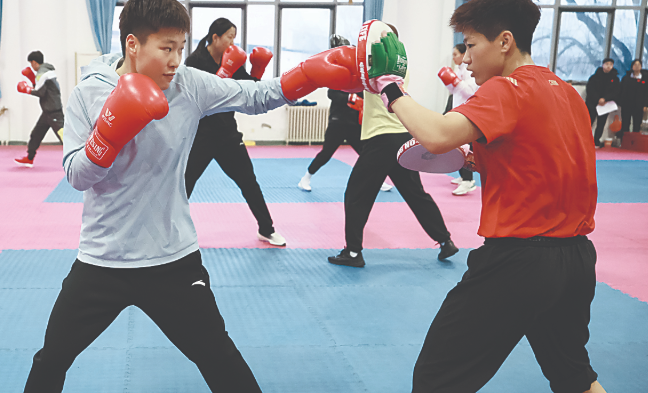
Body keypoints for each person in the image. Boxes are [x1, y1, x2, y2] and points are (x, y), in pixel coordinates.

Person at [0, 0, 365, 393]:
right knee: (52, 357)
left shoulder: (189, 84)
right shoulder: (89, 93)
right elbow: (75, 176)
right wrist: (108, 135)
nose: (175, 59)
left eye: (181, 47)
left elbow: (255, 97)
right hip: (102, 260)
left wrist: (308, 74)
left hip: (172, 258)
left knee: (216, 353)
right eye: (166, 48)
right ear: (133, 44)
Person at [368, 0, 637, 393]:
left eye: (472, 44)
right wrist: (482, 159)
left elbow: (436, 135)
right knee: (575, 376)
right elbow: (544, 161)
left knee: (435, 379)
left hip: (518, 264)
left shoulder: (506, 89)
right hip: (576, 262)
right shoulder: (566, 94)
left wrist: (390, 88)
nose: (466, 57)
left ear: (505, 41)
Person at [327, 24, 458, 268]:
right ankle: (445, 240)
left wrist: (341, 50)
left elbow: (356, 71)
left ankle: (353, 252)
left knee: (356, 195)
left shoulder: (379, 64)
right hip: (402, 137)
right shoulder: (400, 64)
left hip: (381, 139)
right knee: (415, 194)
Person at [183, 18, 287, 246]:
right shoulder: (194, 61)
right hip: (201, 134)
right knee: (185, 183)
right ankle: (170, 231)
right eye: (229, 37)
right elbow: (194, 98)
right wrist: (223, 73)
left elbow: (249, 90)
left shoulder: (234, 59)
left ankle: (267, 229)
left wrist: (257, 70)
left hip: (227, 134)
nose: (232, 42)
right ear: (215, 37)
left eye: (234, 38)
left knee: (249, 181)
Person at [297, 35, 392, 193]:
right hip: (338, 121)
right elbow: (332, 93)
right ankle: (305, 178)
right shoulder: (335, 72)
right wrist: (351, 97)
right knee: (326, 153)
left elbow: (363, 92)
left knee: (366, 153)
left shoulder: (357, 73)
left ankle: (378, 181)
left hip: (354, 122)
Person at [15, 51, 64, 167]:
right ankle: (29, 158)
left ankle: (82, 159)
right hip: (47, 112)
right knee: (36, 135)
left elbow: (40, 92)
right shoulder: (47, 71)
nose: (31, 66)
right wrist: (33, 81)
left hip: (54, 113)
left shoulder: (42, 74)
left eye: (31, 63)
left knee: (65, 137)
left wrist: (27, 90)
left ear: (34, 62)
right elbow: (43, 89)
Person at [446, 43, 480, 196]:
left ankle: (468, 180)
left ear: (463, 54)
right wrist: (449, 82)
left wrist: (456, 82)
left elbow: (471, 91)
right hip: (457, 108)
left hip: (467, 111)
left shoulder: (469, 69)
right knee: (456, 145)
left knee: (463, 146)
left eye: (455, 54)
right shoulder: (458, 69)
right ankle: (462, 176)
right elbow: (454, 90)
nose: (453, 57)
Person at [586, 58, 621, 149]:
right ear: (603, 65)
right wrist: (598, 99)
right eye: (607, 64)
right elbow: (590, 90)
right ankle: (585, 140)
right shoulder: (594, 77)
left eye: (611, 64)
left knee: (601, 124)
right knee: (588, 122)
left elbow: (616, 92)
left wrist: (605, 99)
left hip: (606, 105)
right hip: (593, 103)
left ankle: (596, 141)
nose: (608, 66)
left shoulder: (615, 79)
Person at [616, 59, 648, 141]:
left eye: (639, 65)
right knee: (625, 124)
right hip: (627, 105)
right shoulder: (626, 78)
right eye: (635, 65)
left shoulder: (646, 79)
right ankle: (625, 141)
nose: (637, 66)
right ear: (632, 67)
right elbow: (621, 90)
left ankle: (635, 142)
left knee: (637, 125)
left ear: (641, 67)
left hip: (639, 106)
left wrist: (646, 105)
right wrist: (620, 102)